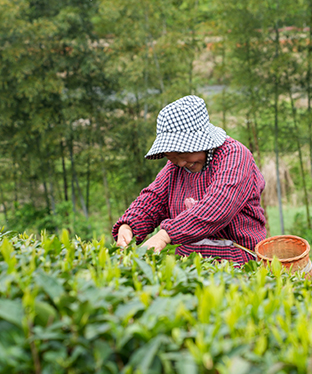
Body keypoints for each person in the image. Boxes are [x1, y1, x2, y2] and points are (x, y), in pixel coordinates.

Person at [112, 95, 267, 264]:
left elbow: (218, 207)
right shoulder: (176, 168)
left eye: (182, 154)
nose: (181, 163)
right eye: (172, 157)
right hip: (190, 263)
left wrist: (165, 235)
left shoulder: (234, 156)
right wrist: (128, 226)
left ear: (202, 142)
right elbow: (152, 200)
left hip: (237, 260)